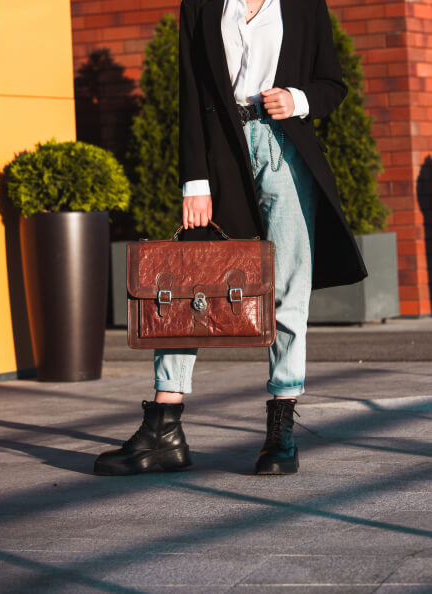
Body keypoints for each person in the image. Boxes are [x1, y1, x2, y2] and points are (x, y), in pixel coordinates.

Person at [94, 0, 367, 476]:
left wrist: (298, 100)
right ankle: (164, 428)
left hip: (284, 150)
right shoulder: (201, 5)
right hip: (221, 153)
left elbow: (332, 84)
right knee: (187, 282)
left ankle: (281, 426)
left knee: (288, 288)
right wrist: (194, 179)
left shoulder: (304, 4)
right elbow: (191, 91)